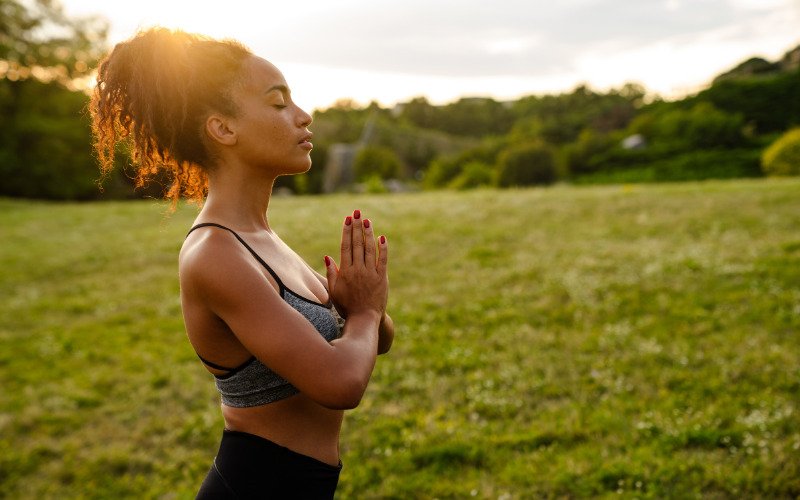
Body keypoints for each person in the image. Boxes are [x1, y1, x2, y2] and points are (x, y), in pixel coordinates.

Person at [90, 28, 394, 498]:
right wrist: (368, 310)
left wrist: (363, 304)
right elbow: (340, 382)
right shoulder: (216, 255)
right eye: (278, 104)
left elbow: (372, 338)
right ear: (223, 128)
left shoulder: (262, 238)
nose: (303, 116)